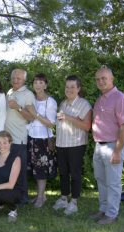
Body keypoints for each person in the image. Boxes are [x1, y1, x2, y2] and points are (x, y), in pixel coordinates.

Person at [90, 66, 124, 225]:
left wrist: (117, 151)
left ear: (112, 79)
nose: (100, 81)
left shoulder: (120, 98)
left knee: (113, 182)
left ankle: (112, 215)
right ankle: (103, 209)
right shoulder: (100, 99)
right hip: (99, 146)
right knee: (101, 179)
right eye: (98, 79)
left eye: (104, 78)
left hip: (114, 145)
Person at [53, 75, 92, 215]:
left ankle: (74, 202)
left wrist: (67, 117)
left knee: (75, 174)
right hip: (61, 144)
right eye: (67, 87)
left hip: (76, 144)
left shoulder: (84, 104)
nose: (69, 89)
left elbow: (87, 126)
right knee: (63, 173)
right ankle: (64, 198)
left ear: (78, 88)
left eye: (72, 87)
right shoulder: (63, 103)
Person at [25, 73, 58, 208]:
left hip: (43, 140)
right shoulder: (31, 98)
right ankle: (41, 195)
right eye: (35, 82)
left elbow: (51, 123)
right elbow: (29, 118)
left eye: (41, 82)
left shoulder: (50, 101)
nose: (38, 85)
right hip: (31, 137)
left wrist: (35, 114)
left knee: (41, 170)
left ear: (45, 85)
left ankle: (40, 198)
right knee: (34, 168)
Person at [5, 68, 35, 204]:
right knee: (8, 168)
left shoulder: (28, 94)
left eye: (19, 78)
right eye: (14, 78)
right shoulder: (9, 92)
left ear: (24, 80)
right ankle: (11, 194)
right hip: (5, 140)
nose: (15, 80)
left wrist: (18, 107)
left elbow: (31, 117)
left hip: (19, 138)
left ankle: (23, 198)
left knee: (20, 169)